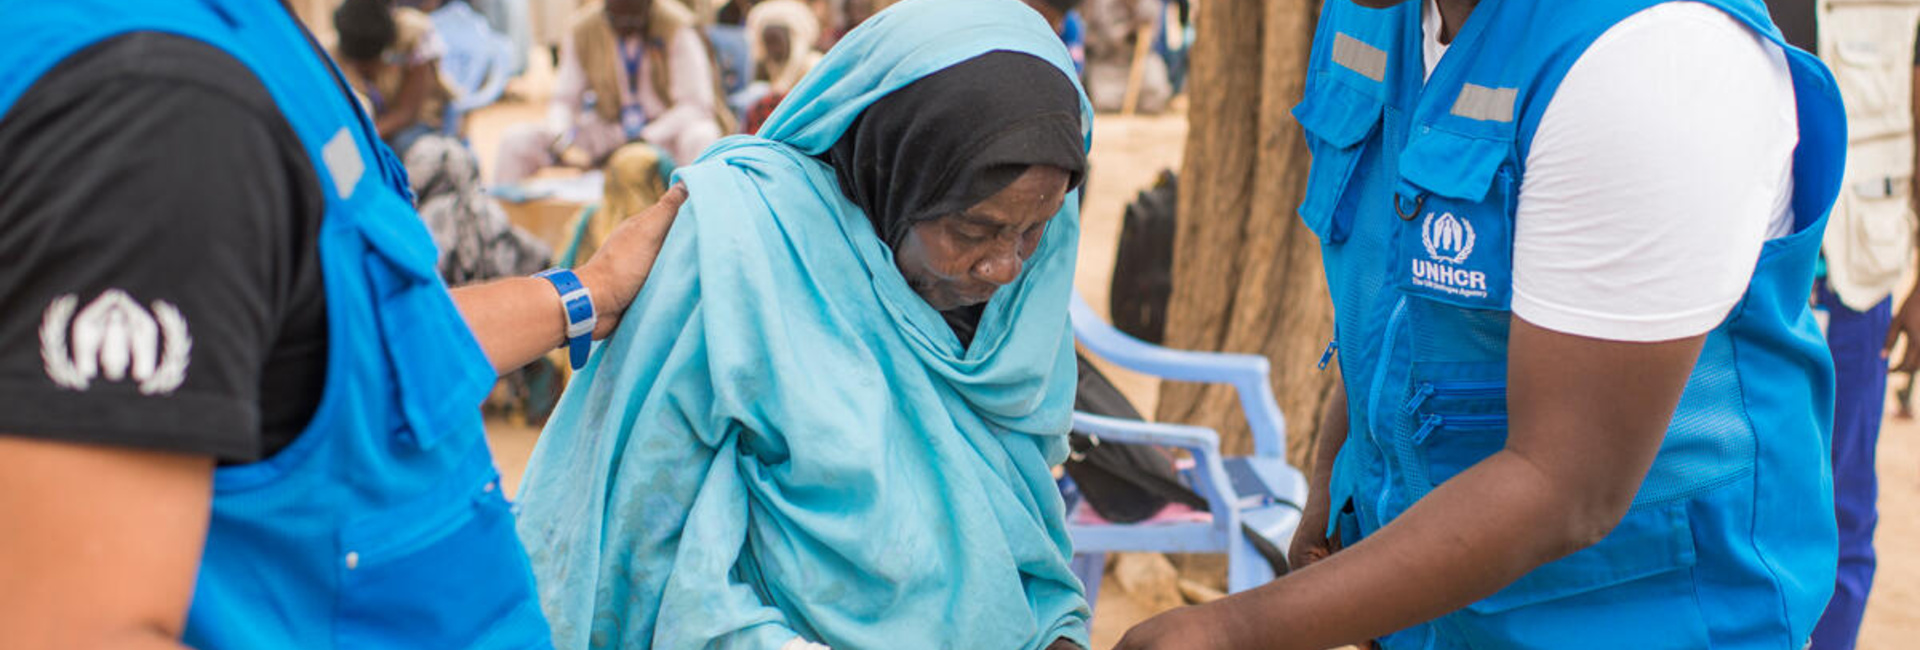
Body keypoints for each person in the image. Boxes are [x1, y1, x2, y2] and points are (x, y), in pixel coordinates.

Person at [1116, 0, 1846, 647]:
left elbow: (1566, 485)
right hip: (1438, 606)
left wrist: (1241, 628)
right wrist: (1337, 482)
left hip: (1642, 615)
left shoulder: (1652, 58)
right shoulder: (1375, 16)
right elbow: (1396, 299)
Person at [0, 0, 687, 646]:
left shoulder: (252, 39)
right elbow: (83, 627)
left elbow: (353, 343)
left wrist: (588, 293)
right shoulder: (153, 106)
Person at [509, 1, 1094, 648]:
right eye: (973, 230)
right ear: (892, 169)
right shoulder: (748, 248)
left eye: (1034, 230)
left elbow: (1027, 555)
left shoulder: (1013, 313)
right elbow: (646, 555)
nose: (1006, 268)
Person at [495, 0, 728, 184]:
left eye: (632, 17)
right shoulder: (584, 28)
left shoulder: (677, 27)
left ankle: (694, 221)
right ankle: (503, 227)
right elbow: (565, 100)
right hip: (610, 133)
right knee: (517, 142)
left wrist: (644, 138)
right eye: (617, 17)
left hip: (665, 137)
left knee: (702, 135)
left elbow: (696, 105)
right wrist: (561, 139)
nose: (624, 24)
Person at [333, 0, 459, 156]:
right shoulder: (335, 49)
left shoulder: (415, 34)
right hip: (376, 125)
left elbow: (407, 113)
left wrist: (364, 136)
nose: (363, 69)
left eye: (370, 63)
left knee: (399, 151)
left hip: (422, 119)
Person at [739, 0, 823, 133]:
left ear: (792, 38)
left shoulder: (813, 65)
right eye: (768, 42)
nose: (772, 48)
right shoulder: (769, 68)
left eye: (776, 40)